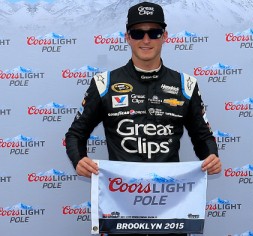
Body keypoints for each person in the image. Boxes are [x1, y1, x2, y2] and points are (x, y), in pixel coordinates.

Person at [65, 2, 221, 236]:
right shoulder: (104, 83)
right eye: (138, 33)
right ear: (127, 37)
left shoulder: (186, 85)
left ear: (165, 36)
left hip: (170, 209)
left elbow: (203, 137)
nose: (146, 40)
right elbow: (75, 134)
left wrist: (211, 157)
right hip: (120, 210)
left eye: (154, 33)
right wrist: (79, 160)